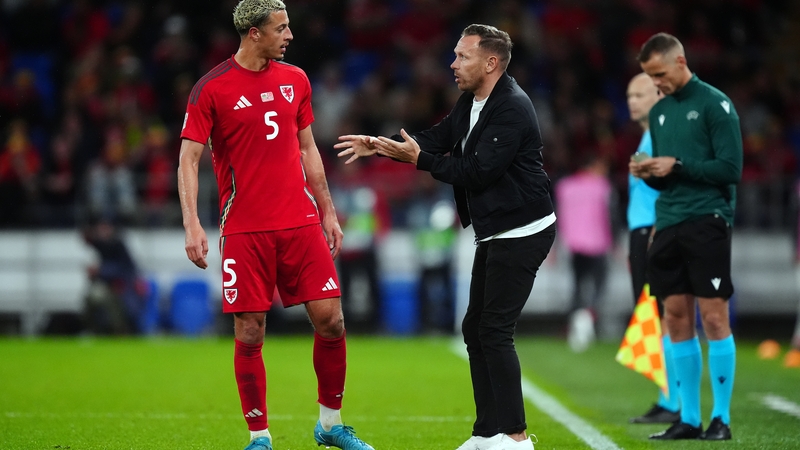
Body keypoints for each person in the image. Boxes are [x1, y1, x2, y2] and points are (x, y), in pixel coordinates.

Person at [337, 24, 555, 450]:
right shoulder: (472, 102)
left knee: (493, 330)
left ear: (491, 63)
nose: (453, 64)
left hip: (524, 230)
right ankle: (487, 433)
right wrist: (379, 145)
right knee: (475, 328)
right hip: (497, 230)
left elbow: (476, 171)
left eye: (462, 56)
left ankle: (515, 437)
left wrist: (420, 162)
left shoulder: (511, 107)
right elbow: (437, 139)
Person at [176, 2, 374, 450]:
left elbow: (308, 149)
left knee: (332, 320)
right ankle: (260, 436)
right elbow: (188, 158)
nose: (289, 36)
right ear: (253, 33)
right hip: (245, 226)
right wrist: (192, 222)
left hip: (300, 221)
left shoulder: (296, 79)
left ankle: (330, 425)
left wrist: (326, 208)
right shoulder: (211, 88)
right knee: (250, 332)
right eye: (280, 28)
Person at [630, 32, 742, 441]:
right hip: (669, 220)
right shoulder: (660, 114)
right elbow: (669, 177)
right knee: (675, 316)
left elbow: (730, 170)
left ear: (680, 62)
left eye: (659, 74)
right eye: (648, 76)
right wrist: (651, 172)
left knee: (713, 317)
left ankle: (722, 419)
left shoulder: (716, 104)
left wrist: (676, 165)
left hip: (706, 220)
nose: (655, 83)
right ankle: (689, 419)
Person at [624, 73, 681, 424]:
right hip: (641, 230)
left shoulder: (661, 132)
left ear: (658, 94)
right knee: (652, 317)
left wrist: (658, 229)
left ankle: (673, 401)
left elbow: (669, 184)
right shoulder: (649, 133)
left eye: (639, 94)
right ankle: (668, 396)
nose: (631, 100)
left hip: (652, 231)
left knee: (662, 316)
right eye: (629, 94)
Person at [554, 154, 614, 353]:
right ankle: (588, 319)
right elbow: (611, 216)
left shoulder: (565, 186)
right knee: (598, 286)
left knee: (578, 285)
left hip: (573, 245)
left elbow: (556, 215)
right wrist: (616, 243)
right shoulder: (602, 186)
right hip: (598, 244)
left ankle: (575, 323)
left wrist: (555, 247)